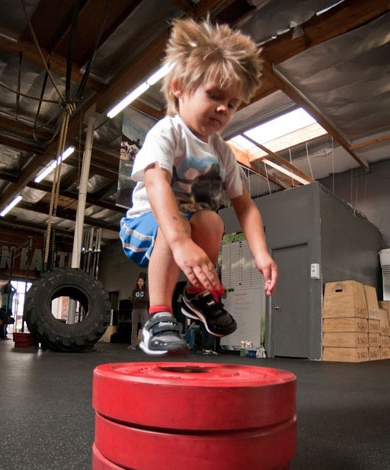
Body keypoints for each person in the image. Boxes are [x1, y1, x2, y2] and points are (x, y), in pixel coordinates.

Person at [119, 17, 278, 356]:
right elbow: (155, 180)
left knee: (212, 221)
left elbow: (245, 205)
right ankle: (158, 318)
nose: (223, 108)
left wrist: (261, 254)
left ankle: (194, 296)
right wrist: (179, 240)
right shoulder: (168, 132)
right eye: (214, 95)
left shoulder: (222, 151)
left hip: (185, 230)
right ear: (179, 87)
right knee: (176, 222)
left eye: (232, 104)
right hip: (142, 226)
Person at [128, 275, 149, 350]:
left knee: (144, 327)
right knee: (134, 327)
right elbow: (132, 300)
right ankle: (133, 344)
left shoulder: (146, 290)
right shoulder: (134, 290)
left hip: (143, 309)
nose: (140, 282)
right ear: (137, 282)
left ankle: (145, 344)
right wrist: (139, 299)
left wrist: (137, 299)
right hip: (135, 309)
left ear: (143, 282)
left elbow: (146, 299)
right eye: (139, 281)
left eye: (141, 281)